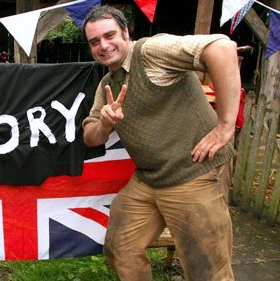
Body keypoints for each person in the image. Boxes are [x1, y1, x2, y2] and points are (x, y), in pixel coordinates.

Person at [82, 5, 241, 281]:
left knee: (208, 271)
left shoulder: (152, 51)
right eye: (95, 42)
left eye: (110, 36)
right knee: (121, 248)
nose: (103, 46)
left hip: (193, 174)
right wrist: (105, 123)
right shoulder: (108, 83)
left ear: (126, 33)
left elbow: (223, 48)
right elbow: (90, 137)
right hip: (149, 180)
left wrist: (225, 126)